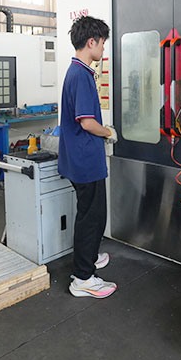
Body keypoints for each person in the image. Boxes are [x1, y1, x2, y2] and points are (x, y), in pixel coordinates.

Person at [58, 15, 119, 299]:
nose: (104, 48)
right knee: (92, 217)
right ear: (91, 42)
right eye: (103, 43)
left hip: (79, 158)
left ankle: (90, 256)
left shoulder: (77, 71)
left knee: (90, 214)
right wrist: (108, 132)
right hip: (86, 161)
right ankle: (83, 277)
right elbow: (86, 123)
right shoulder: (81, 75)